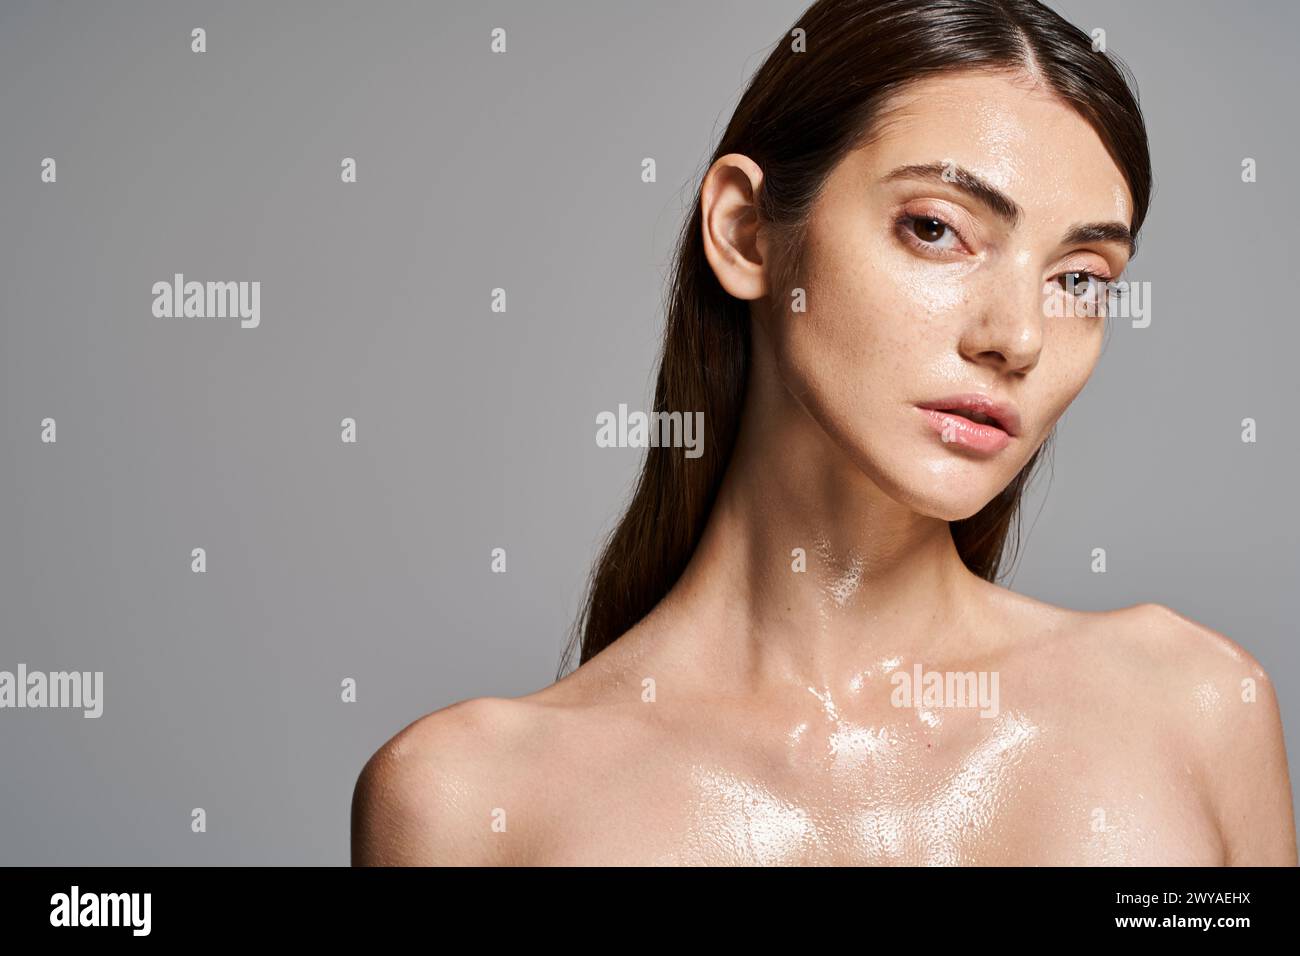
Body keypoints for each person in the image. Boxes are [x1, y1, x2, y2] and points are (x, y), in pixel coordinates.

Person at [352, 0, 1297, 865]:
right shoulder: (468, 802)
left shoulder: (1194, 705)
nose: (1016, 338)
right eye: (936, 228)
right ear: (748, 232)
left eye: (1080, 278)